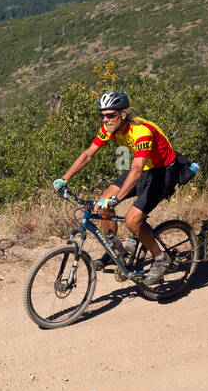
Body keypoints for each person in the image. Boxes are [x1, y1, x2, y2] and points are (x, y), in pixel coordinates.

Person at [51, 91, 185, 285]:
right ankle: (116, 251)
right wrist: (65, 178)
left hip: (164, 172)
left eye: (111, 115)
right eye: (103, 115)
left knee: (132, 220)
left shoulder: (141, 132)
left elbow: (136, 169)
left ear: (123, 114)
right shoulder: (109, 128)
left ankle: (160, 259)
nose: (106, 120)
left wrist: (117, 198)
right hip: (145, 169)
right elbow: (89, 154)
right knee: (102, 205)